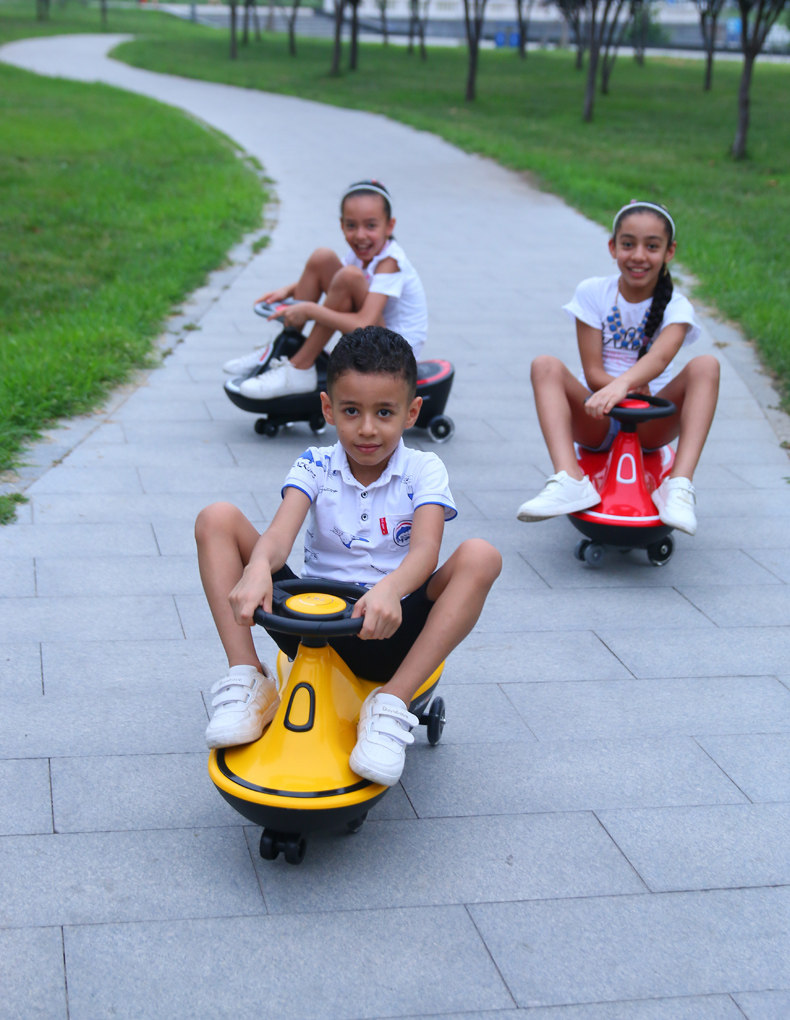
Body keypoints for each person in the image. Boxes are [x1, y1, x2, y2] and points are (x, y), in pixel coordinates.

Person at [197, 326, 501, 786]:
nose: (367, 428)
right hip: (311, 625)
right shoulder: (315, 464)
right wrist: (258, 567)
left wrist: (390, 589)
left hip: (390, 626)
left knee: (481, 555)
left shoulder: (423, 469)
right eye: (352, 411)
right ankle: (247, 676)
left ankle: (392, 704)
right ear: (328, 409)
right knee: (216, 518)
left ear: (412, 412)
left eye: (384, 412)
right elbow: (279, 535)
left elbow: (425, 552)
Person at [516, 199, 719, 536]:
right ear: (613, 247)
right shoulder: (594, 292)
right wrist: (624, 388)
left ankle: (679, 485)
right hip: (597, 415)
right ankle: (569, 478)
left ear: (669, 251)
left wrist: (625, 387)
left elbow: (660, 359)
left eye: (651, 246)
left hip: (651, 422)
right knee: (545, 365)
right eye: (628, 244)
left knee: (706, 366)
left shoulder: (677, 306)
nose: (638, 255)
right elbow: (592, 372)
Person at [224, 179, 428, 402]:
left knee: (349, 276)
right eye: (351, 226)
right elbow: (334, 281)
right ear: (341, 225)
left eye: (371, 226)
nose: (360, 235)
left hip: (395, 356)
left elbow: (364, 321)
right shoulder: (361, 256)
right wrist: (289, 290)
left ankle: (300, 367)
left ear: (389, 226)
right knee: (322, 258)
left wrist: (310, 310)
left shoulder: (391, 261)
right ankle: (285, 348)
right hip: (375, 338)